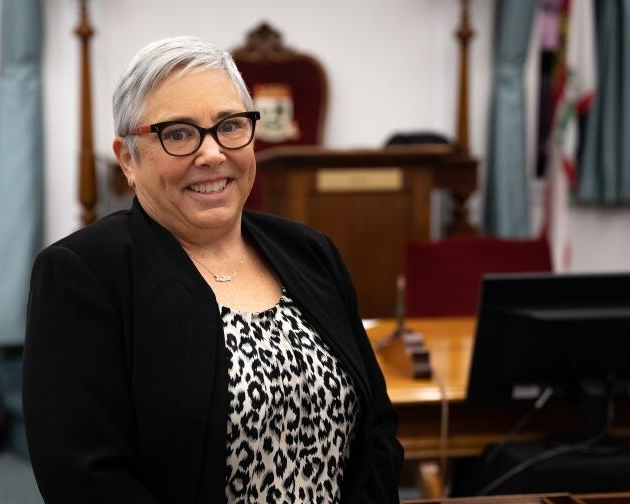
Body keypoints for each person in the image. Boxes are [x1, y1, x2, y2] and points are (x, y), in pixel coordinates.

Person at [23, 36, 403, 504]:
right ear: (128, 159)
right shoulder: (84, 274)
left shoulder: (311, 252)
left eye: (229, 125)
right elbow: (83, 477)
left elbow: (378, 429)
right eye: (178, 133)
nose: (212, 153)